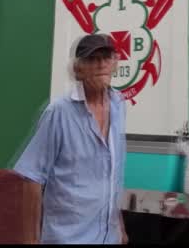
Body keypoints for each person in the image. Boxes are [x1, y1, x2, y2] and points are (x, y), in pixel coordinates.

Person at [14, 33, 127, 244]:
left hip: (108, 238)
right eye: (93, 59)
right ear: (78, 70)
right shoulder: (59, 112)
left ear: (114, 63)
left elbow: (112, 174)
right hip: (69, 238)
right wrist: (30, 241)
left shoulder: (118, 104)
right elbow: (32, 178)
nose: (101, 64)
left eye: (106, 57)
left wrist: (119, 226)